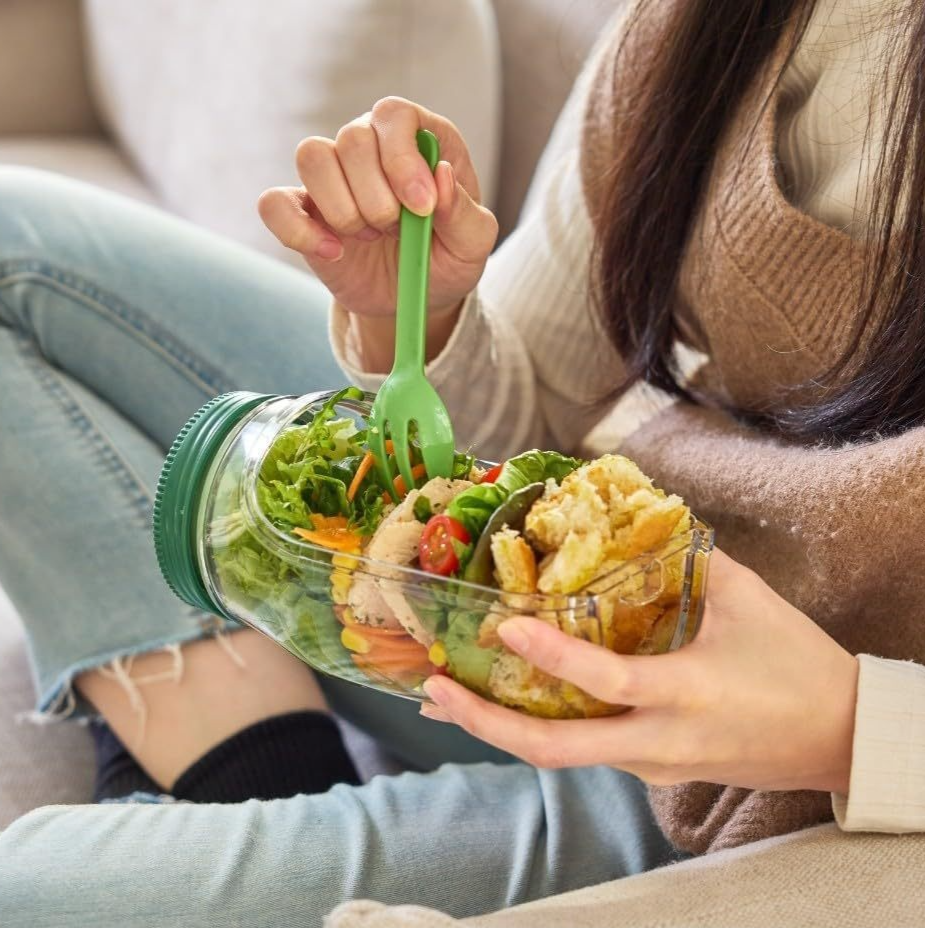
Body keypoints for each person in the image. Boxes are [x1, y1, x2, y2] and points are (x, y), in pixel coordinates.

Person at [2, 0, 924, 924]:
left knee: (28, 886)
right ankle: (244, 747)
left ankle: (220, 755)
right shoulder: (712, 27)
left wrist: (846, 729)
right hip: (525, 611)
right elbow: (531, 420)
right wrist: (424, 316)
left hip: (753, 784)